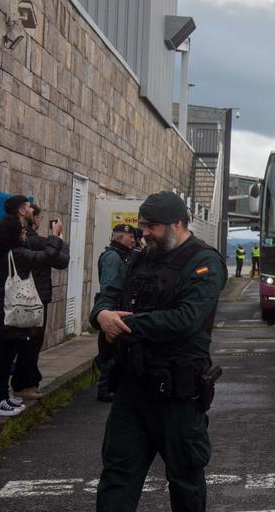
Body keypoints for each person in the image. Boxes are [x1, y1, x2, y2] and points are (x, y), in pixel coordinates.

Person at [92, 191, 227, 512]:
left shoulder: (204, 262)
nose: (144, 232)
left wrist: (124, 325)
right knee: (117, 477)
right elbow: (109, 294)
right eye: (142, 225)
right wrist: (102, 315)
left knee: (185, 481)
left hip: (178, 396)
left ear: (177, 223)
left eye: (152, 226)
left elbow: (185, 319)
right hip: (132, 390)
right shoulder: (140, 257)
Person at [0, 195, 64, 416]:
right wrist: (55, 236)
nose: (23, 235)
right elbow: (47, 256)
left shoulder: (7, 253)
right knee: (3, 355)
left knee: (7, 352)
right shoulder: (16, 254)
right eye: (20, 233)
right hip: (8, 310)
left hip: (6, 308)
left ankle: (2, 395)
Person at [11, 204, 69, 402]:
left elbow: (59, 259)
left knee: (31, 342)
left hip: (33, 296)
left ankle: (29, 381)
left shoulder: (31, 239)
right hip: (31, 297)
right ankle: (23, 384)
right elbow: (60, 259)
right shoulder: (32, 240)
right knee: (30, 342)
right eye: (38, 217)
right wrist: (57, 238)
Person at [94, 223, 139, 402]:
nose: (134, 240)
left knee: (117, 351)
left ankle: (112, 385)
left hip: (119, 308)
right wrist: (109, 311)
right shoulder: (112, 257)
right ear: (119, 238)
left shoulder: (123, 255)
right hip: (112, 310)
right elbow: (109, 287)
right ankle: (104, 388)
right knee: (110, 352)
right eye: (130, 237)